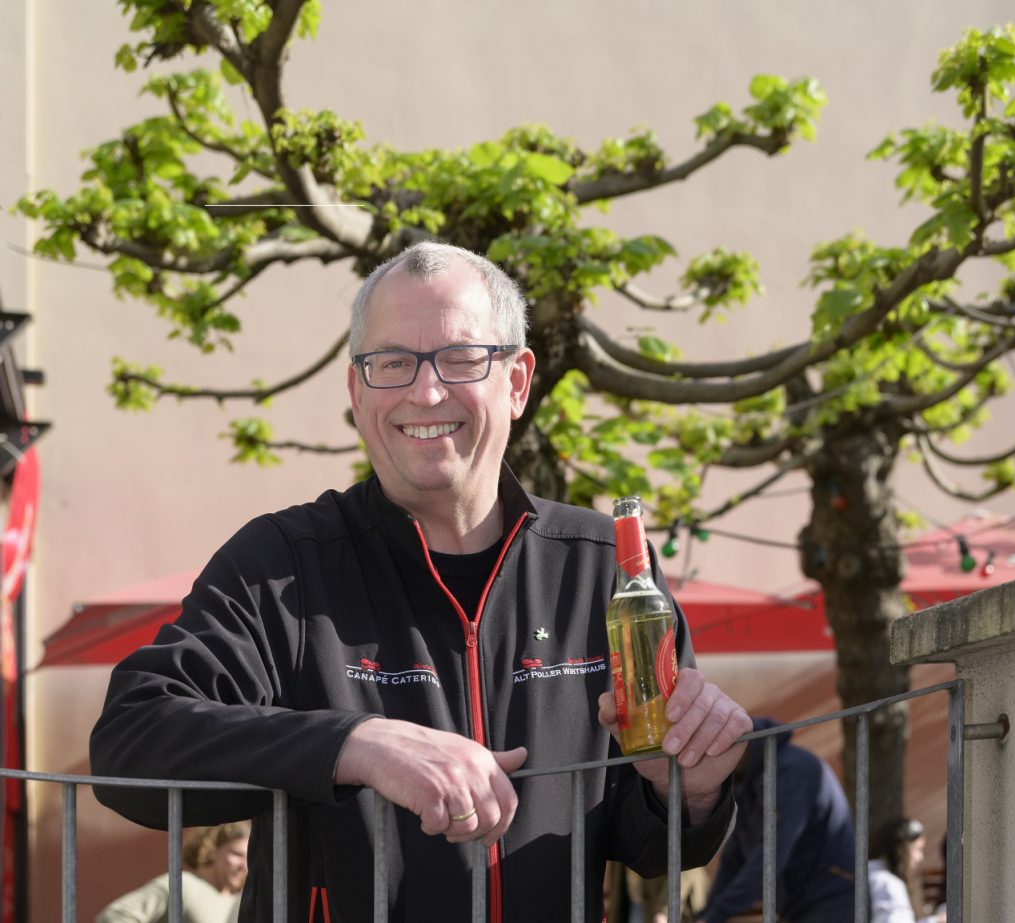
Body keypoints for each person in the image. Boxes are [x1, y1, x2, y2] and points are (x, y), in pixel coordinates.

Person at [90, 241, 751, 923]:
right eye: (391, 362)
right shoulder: (282, 563)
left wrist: (692, 791)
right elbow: (129, 740)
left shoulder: (600, 568)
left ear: (518, 381)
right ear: (356, 389)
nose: (424, 390)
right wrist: (354, 745)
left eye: (462, 358)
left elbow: (650, 845)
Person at [696, 718, 855, 923]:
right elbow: (734, 856)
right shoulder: (745, 781)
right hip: (798, 902)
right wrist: (708, 912)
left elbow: (770, 853)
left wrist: (717, 913)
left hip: (831, 899)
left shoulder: (790, 773)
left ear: (743, 744)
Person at [95, 822, 249, 923]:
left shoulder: (241, 901)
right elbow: (113, 916)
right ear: (212, 851)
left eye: (248, 858)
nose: (245, 865)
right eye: (237, 855)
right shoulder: (184, 886)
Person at [867, 817, 946, 923]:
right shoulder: (887, 885)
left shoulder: (868, 872)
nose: (920, 857)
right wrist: (937, 921)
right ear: (900, 850)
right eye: (917, 849)